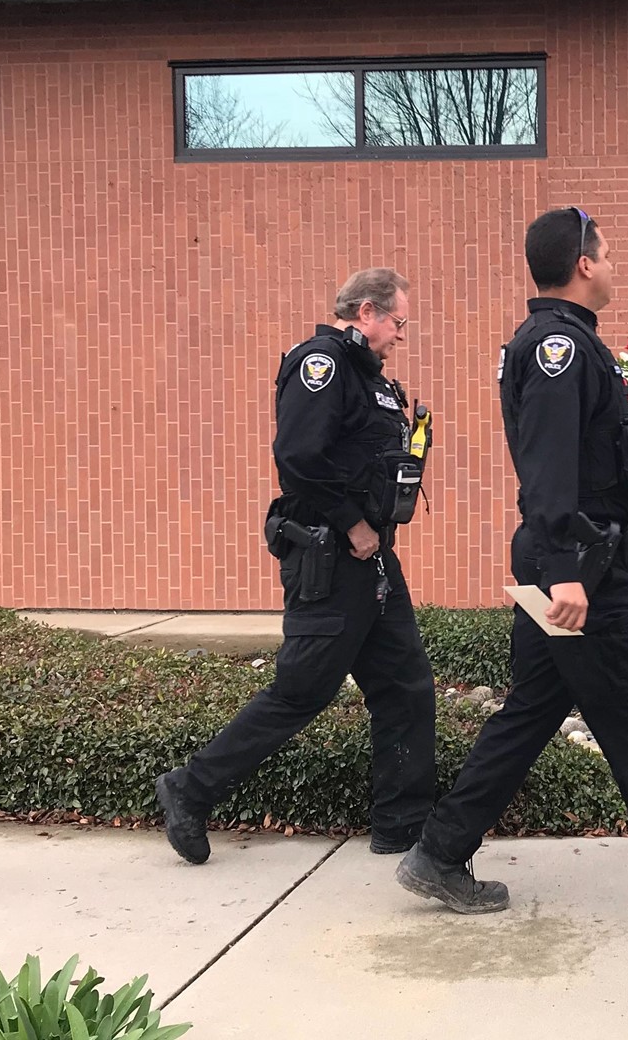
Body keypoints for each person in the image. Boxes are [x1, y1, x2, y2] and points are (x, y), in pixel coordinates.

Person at [395, 207, 628, 926]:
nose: (613, 264)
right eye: (607, 254)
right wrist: (568, 570)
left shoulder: (567, 345)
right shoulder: (557, 351)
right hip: (584, 572)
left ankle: (439, 855)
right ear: (583, 265)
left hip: (574, 560)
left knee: (532, 712)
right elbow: (548, 466)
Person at [155, 268, 436, 864]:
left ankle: (402, 826)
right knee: (301, 692)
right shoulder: (322, 364)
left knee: (406, 687)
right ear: (367, 311)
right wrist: (353, 523)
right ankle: (189, 788)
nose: (401, 335)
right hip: (334, 557)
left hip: (373, 558)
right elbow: (297, 457)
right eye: (398, 322)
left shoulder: (374, 381)